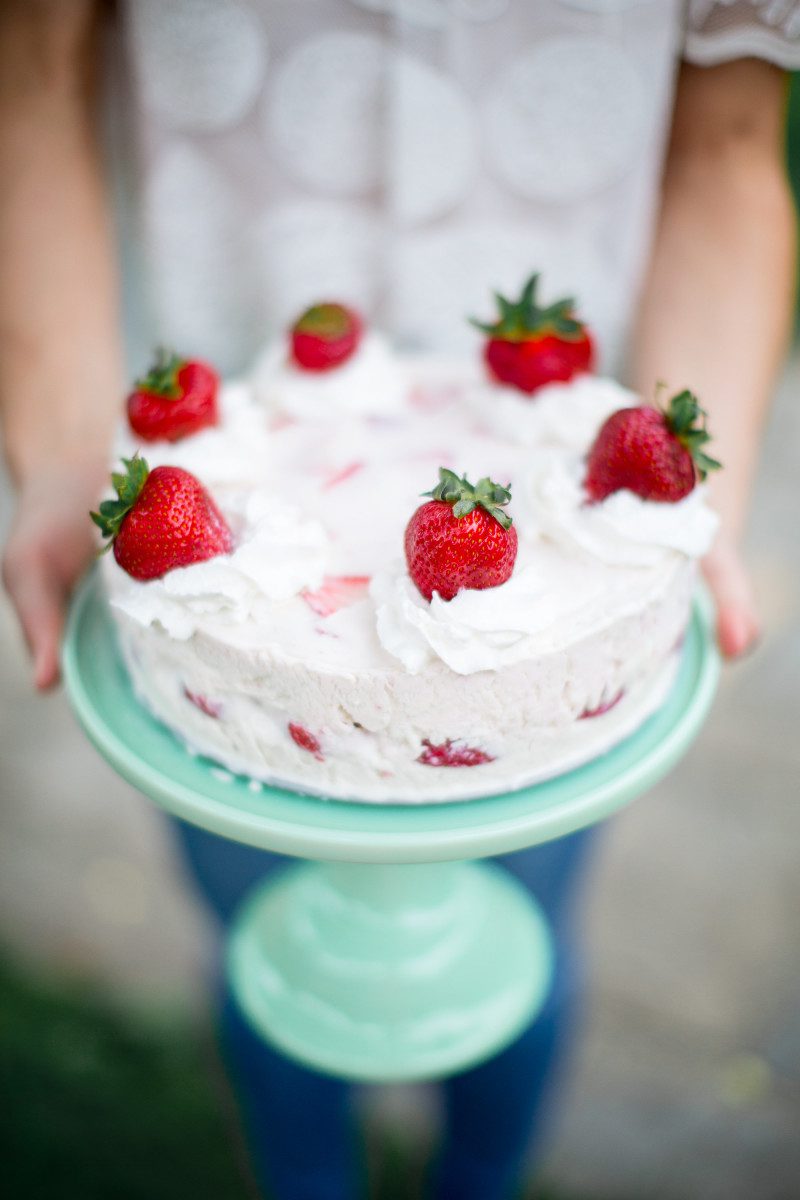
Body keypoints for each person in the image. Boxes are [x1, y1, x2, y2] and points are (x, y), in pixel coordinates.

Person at [1, 3, 797, 1199]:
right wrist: (66, 457)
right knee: (268, 948)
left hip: (562, 559)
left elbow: (730, 142)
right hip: (213, 487)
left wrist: (686, 504)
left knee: (518, 945)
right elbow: (28, 82)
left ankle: (480, 1181)